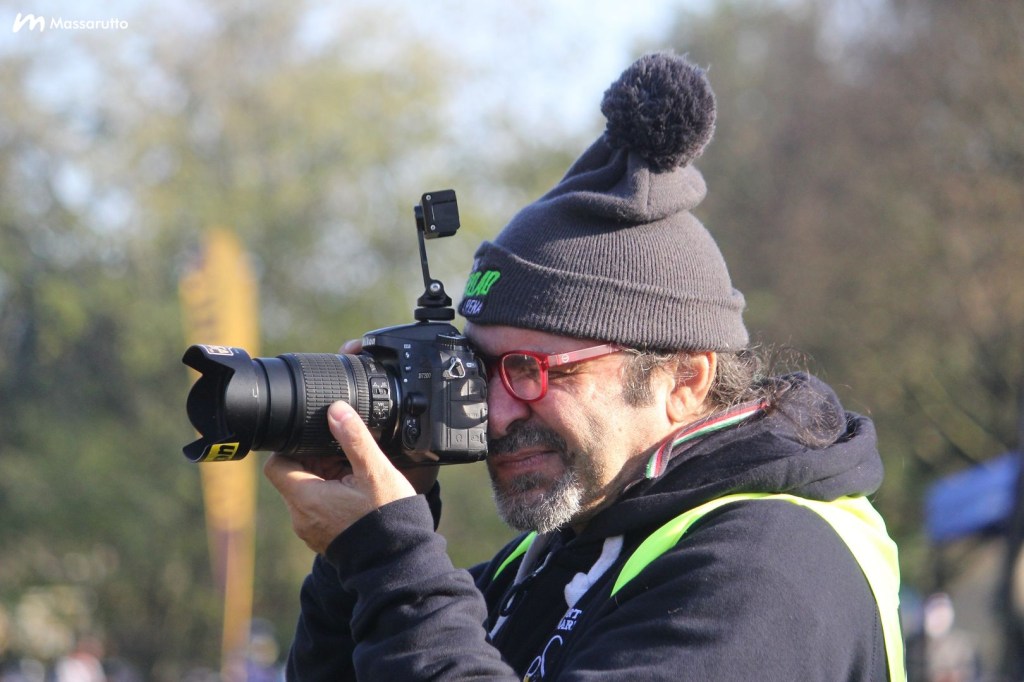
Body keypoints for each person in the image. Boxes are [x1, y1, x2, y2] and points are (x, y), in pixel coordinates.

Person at [263, 52, 905, 681]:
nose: (497, 413)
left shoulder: (769, 566)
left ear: (684, 380)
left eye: (533, 370)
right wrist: (356, 560)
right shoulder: (553, 553)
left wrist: (390, 560)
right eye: (479, 368)